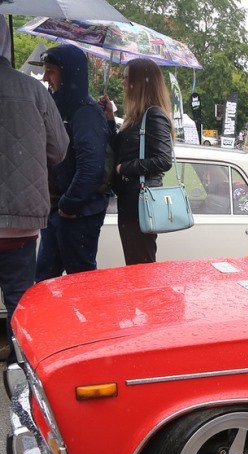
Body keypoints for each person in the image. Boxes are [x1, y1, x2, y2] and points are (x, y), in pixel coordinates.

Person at [0, 20, 68, 360]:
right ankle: (20, 368)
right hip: (21, 219)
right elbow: (59, 150)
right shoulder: (34, 91)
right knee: (18, 299)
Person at [34, 45, 111, 283]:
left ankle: (89, 322)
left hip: (76, 213)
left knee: (81, 285)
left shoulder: (85, 112)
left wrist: (69, 204)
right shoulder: (62, 106)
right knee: (45, 283)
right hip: (58, 209)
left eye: (51, 71)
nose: (46, 77)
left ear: (69, 74)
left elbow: (91, 165)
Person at [100, 58, 173, 265]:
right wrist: (110, 119)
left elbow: (163, 159)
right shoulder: (137, 116)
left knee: (141, 264)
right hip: (130, 200)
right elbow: (121, 148)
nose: (123, 83)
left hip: (142, 202)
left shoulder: (154, 115)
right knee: (135, 263)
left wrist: (125, 168)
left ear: (140, 82)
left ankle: (147, 298)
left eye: (126, 78)